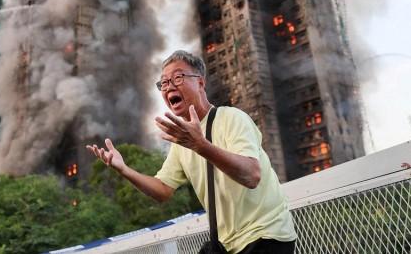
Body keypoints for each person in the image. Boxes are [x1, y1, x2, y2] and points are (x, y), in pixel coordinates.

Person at [87, 50, 297, 253]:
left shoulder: (232, 118)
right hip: (227, 244)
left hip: (266, 236)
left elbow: (252, 175)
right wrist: (124, 170)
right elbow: (162, 190)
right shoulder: (182, 141)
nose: (169, 86)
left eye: (178, 78)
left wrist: (201, 145)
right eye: (164, 83)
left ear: (200, 83)